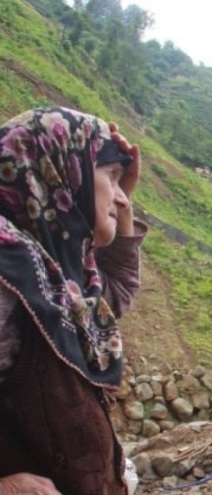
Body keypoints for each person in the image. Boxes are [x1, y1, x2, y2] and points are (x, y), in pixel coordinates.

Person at [0, 107, 145, 495]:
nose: (121, 199)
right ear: (61, 174)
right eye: (111, 178)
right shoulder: (8, 273)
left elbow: (115, 297)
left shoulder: (54, 273)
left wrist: (123, 196)